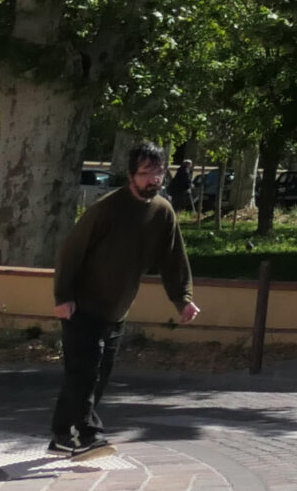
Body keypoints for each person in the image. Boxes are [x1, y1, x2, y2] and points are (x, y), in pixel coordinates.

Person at [51, 143, 197, 457]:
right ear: (131, 175)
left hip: (116, 310)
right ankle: (85, 435)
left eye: (158, 172)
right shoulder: (107, 209)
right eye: (145, 173)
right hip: (82, 305)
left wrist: (182, 299)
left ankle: (62, 435)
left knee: (98, 376)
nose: (153, 180)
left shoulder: (162, 212)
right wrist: (63, 296)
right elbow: (70, 252)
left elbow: (173, 259)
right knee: (84, 374)